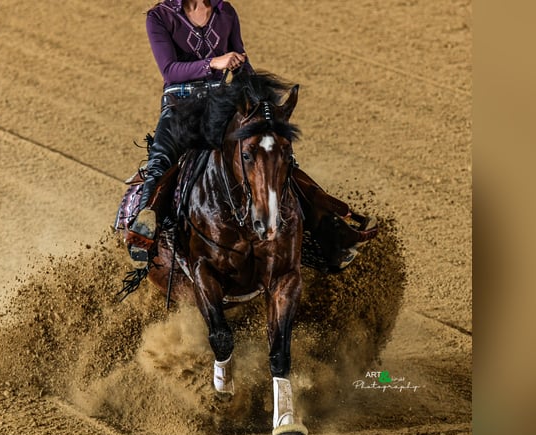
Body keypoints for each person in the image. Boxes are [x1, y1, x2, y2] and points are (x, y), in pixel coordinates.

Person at [125, 0, 377, 270]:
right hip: (180, 108)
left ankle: (330, 229)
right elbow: (169, 70)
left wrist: (260, 98)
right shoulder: (160, 17)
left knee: (273, 158)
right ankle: (144, 231)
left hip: (224, 107)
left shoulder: (226, 12)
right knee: (161, 160)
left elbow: (243, 64)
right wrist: (214, 62)